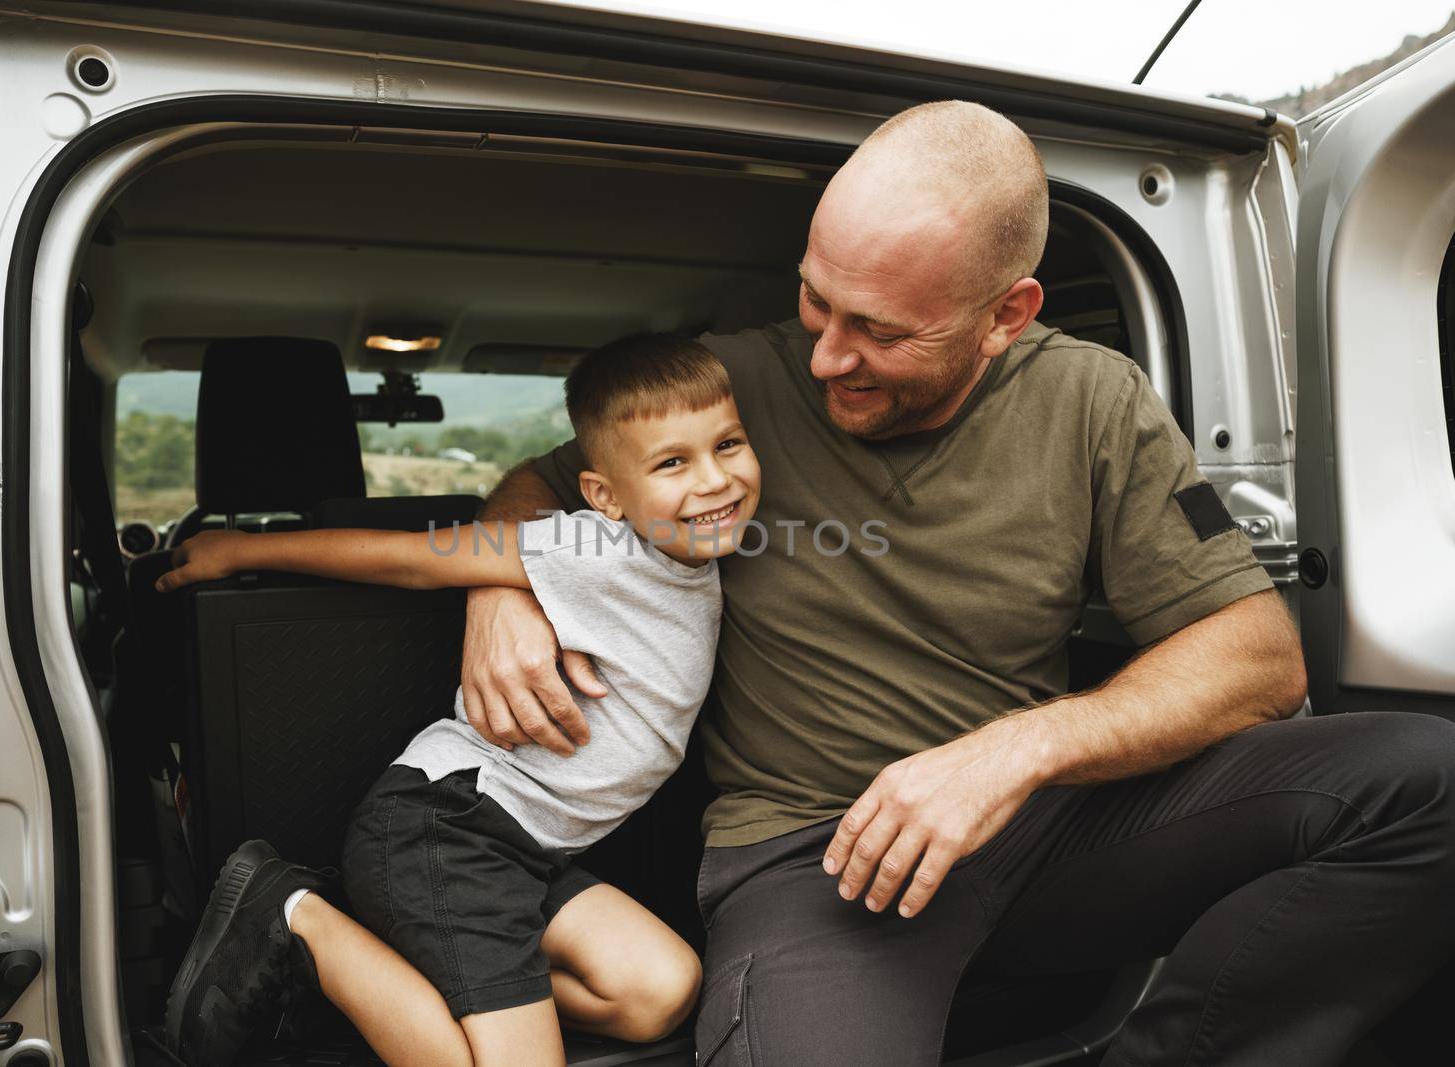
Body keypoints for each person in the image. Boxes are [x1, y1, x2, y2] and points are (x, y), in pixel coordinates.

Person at [461, 101, 1455, 1065]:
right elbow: (535, 486)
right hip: (816, 856)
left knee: (1427, 778)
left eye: (881, 332)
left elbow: (1258, 657)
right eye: (816, 299)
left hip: (1050, 825)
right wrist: (500, 592)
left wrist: (1016, 751)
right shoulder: (725, 390)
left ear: (1003, 317)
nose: (824, 354)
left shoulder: (1090, 396)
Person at [158, 334, 763, 1067]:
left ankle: (400, 975)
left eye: (728, 444)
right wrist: (242, 551)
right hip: (448, 828)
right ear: (604, 496)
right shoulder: (591, 549)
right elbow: (414, 560)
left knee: (660, 991)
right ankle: (293, 912)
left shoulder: (704, 552)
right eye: (673, 461)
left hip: (528, 854)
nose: (714, 481)